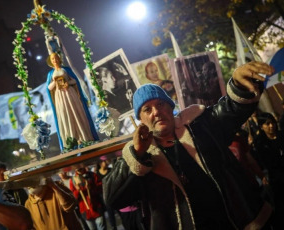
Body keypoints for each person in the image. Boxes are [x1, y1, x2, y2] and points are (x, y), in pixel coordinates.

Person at [103, 61, 275, 230]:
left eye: (160, 104)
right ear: (141, 120)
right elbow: (113, 198)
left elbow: (230, 110)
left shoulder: (201, 124)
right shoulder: (140, 155)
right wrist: (137, 154)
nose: (156, 112)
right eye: (147, 109)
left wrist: (239, 85)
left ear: (171, 108)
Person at [46, 52, 99, 151]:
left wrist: (67, 83)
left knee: (76, 113)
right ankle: (71, 140)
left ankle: (83, 138)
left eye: (56, 58)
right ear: (51, 61)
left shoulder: (66, 70)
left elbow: (75, 81)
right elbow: (49, 88)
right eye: (53, 59)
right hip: (60, 97)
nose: (55, 60)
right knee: (65, 115)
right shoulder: (50, 74)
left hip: (69, 94)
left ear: (59, 59)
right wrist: (55, 82)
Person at [251, 112, 284, 229]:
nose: (271, 126)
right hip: (277, 177)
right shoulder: (260, 143)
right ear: (261, 127)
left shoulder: (281, 135)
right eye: (267, 124)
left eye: (272, 123)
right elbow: (265, 163)